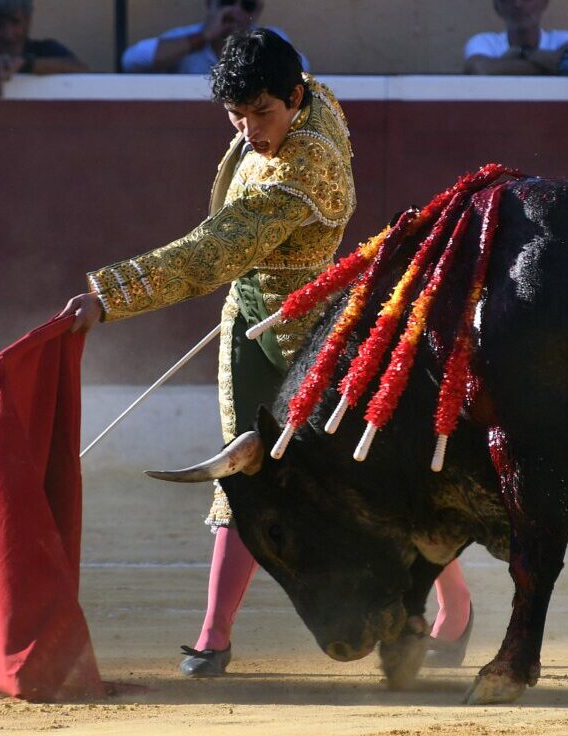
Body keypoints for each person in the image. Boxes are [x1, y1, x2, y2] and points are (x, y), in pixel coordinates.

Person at [61, 28, 471, 677]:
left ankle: (454, 607)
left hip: (315, 340)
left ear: (294, 97)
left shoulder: (302, 167)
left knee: (374, 481)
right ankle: (214, 634)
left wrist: (110, 298)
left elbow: (213, 251)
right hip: (251, 322)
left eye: (262, 114)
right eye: (237, 116)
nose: (250, 130)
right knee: (242, 475)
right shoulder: (314, 98)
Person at [121, 0, 306, 74]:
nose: (235, 11)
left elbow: (301, 70)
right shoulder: (186, 37)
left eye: (247, 5)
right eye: (227, 1)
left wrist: (249, 43)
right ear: (210, 4)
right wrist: (204, 37)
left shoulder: (269, 38)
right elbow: (131, 61)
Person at [463, 0, 568, 75]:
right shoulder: (484, 42)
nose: (518, 4)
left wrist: (523, 53)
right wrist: (550, 66)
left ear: (544, 3)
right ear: (497, 8)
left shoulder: (562, 40)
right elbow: (480, 70)